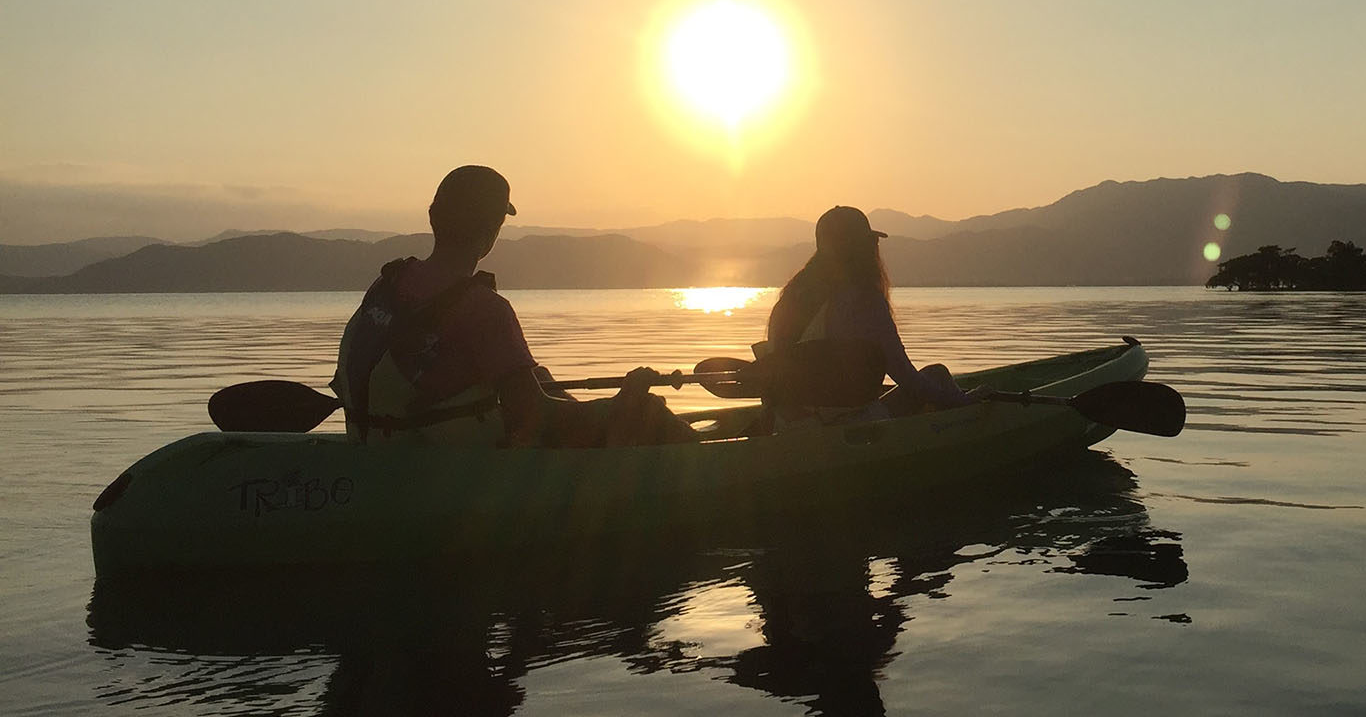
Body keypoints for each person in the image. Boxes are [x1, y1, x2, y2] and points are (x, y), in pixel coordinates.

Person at [332, 165, 694, 447]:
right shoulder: (484, 309)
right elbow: (533, 418)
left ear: (432, 215)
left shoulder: (388, 283)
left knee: (538, 378)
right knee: (647, 411)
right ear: (493, 230)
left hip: (381, 448)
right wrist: (624, 401)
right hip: (446, 465)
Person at [761, 205, 975, 421]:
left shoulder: (791, 297)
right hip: (848, 426)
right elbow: (904, 375)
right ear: (860, 248)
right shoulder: (864, 300)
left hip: (789, 424)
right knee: (936, 374)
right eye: (872, 242)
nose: (876, 248)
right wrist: (962, 402)